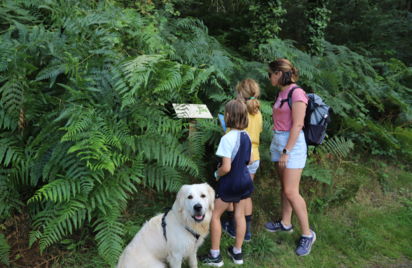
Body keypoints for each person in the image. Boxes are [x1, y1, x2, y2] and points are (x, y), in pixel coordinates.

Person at [264, 58, 316, 256]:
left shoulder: (297, 93)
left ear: (279, 73)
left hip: (292, 145)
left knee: (291, 191)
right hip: (279, 141)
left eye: (271, 73)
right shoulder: (281, 93)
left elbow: (297, 125)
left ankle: (307, 234)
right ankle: (286, 223)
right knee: (284, 188)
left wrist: (286, 151)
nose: (269, 77)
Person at [202, 99, 253, 266]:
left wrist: (216, 173)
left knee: (215, 215)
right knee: (239, 215)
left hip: (230, 183)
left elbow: (226, 167)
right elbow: (250, 160)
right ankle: (237, 253)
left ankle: (215, 256)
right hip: (245, 181)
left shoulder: (227, 138)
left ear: (229, 116)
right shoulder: (247, 136)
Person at [222, 79, 263, 242]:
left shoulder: (239, 111)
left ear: (240, 93)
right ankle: (246, 231)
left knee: (233, 194)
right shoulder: (258, 112)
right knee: (246, 195)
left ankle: (233, 226)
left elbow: (233, 135)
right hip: (255, 157)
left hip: (240, 157)